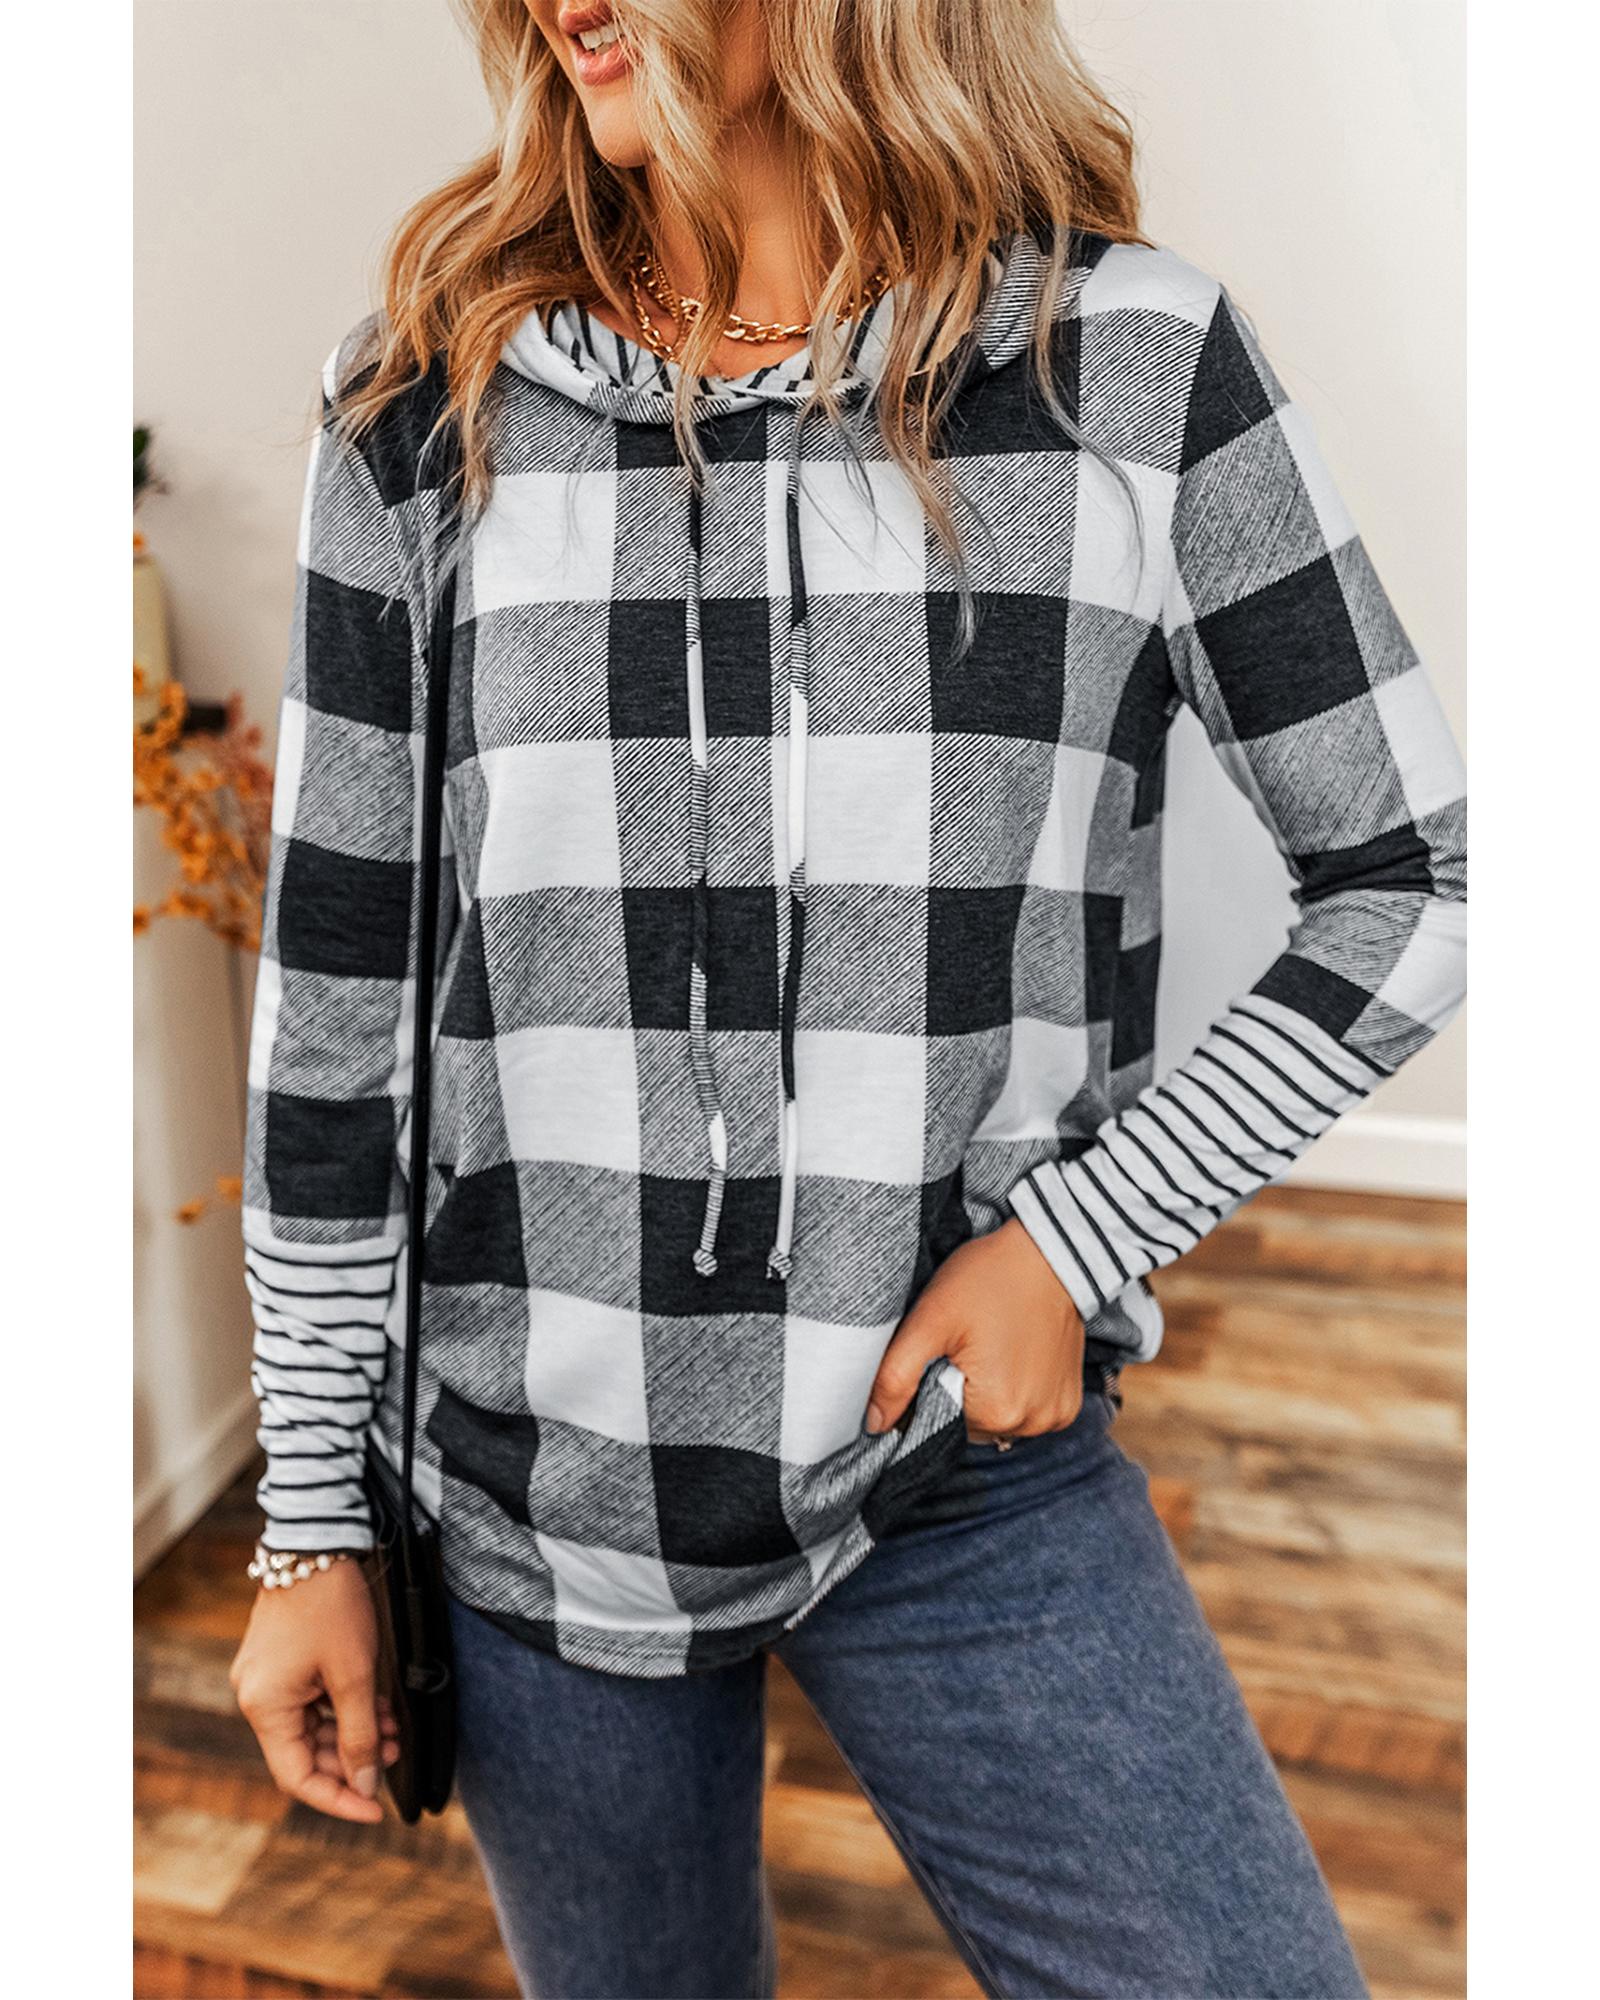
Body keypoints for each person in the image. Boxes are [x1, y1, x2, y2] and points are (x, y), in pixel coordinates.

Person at [227, 3, 1467, 1994]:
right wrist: (311, 1521)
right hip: (538, 1499)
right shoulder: (420, 402)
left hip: (955, 1471)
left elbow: (1415, 874)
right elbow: (336, 1014)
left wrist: (1074, 1240)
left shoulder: (1127, 372)